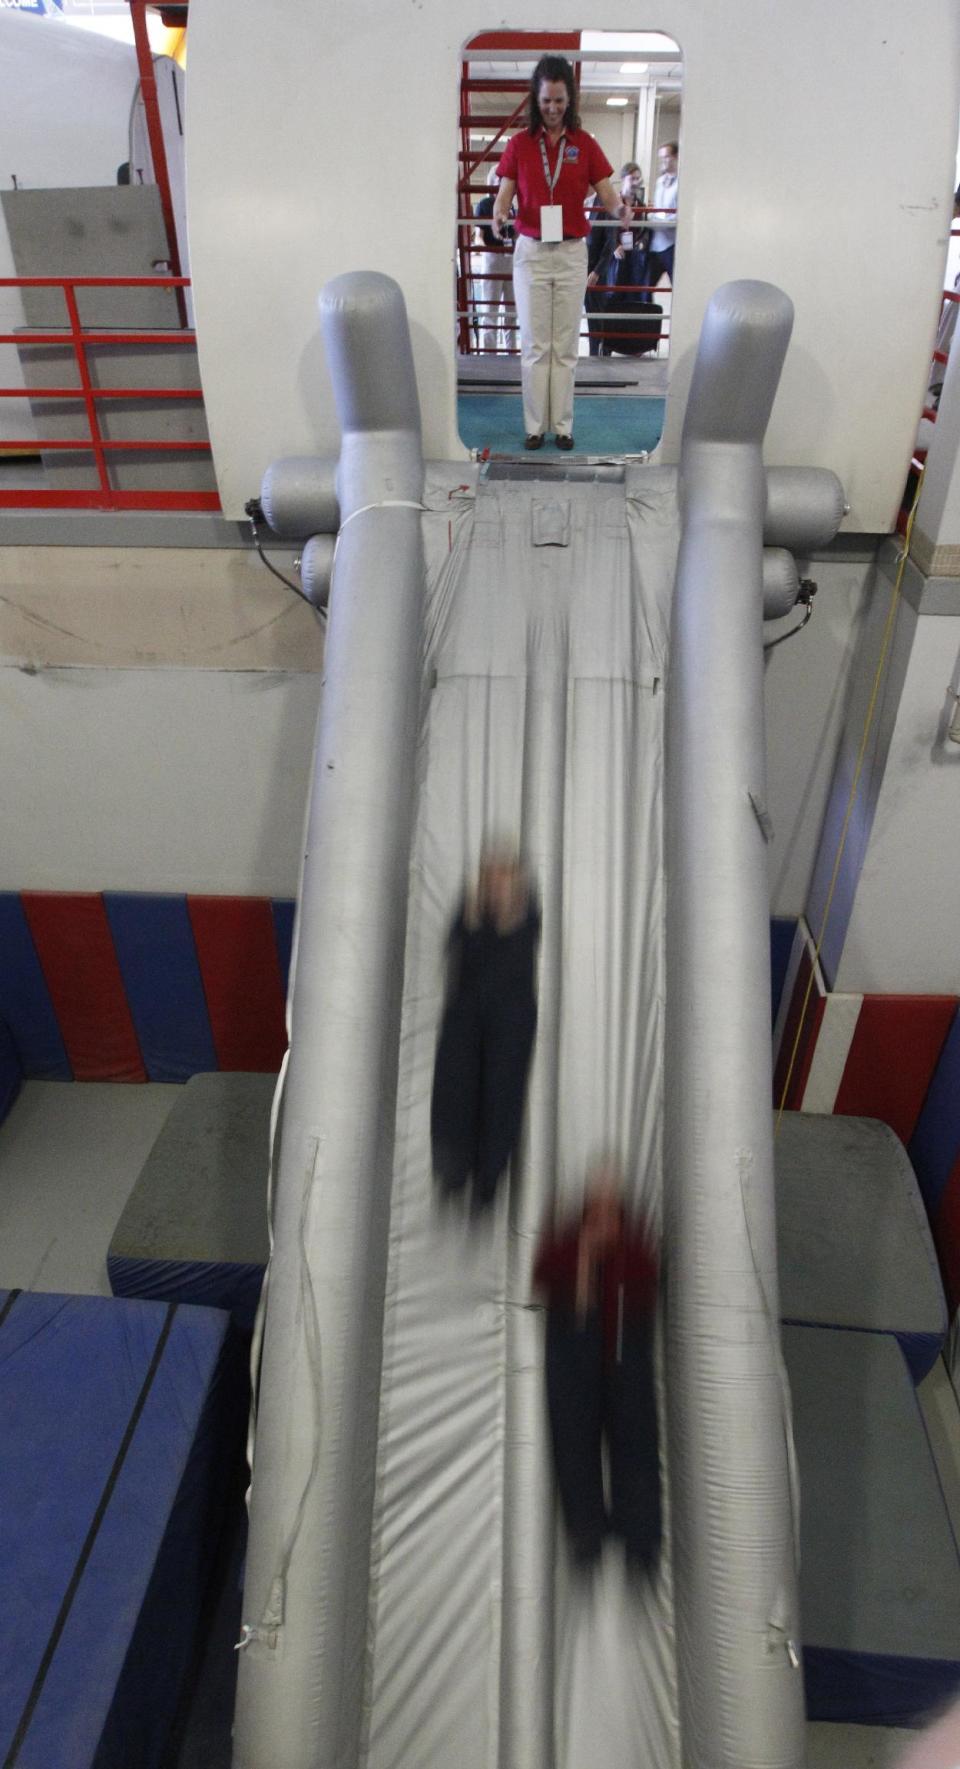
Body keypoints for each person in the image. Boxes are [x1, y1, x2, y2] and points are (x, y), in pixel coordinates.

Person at [490, 54, 629, 452]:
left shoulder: (585, 145)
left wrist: (620, 210)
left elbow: (606, 194)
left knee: (565, 344)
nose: (552, 109)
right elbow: (504, 196)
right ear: (536, 99)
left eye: (560, 101)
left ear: (571, 101)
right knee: (535, 343)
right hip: (531, 251)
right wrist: (500, 216)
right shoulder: (519, 145)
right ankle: (535, 426)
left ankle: (563, 426)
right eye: (546, 101)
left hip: (570, 253)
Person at [533, 1161, 661, 1573]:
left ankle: (639, 1538)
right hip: (575, 1359)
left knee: (634, 1447)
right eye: (597, 1207)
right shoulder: (569, 1244)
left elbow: (648, 1283)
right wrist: (587, 1255)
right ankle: (586, 1532)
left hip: (624, 1360)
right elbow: (543, 1276)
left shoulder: (633, 1248)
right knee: (575, 1447)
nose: (604, 1216)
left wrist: (614, 1251)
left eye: (611, 1207)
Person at [431, 848, 539, 1211]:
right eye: (490, 875)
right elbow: (458, 953)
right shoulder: (471, 911)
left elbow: (517, 961)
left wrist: (507, 910)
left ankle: (488, 1178)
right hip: (465, 1021)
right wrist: (477, 914)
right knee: (456, 1094)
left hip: (508, 1025)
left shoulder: (525, 914)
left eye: (502, 876)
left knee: (500, 1097)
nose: (495, 883)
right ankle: (453, 1172)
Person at [586, 161, 648, 355]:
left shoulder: (609, 203)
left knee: (603, 312)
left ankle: (604, 352)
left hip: (605, 266)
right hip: (584, 265)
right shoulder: (583, 202)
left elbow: (608, 238)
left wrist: (597, 271)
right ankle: (597, 352)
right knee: (591, 316)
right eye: (633, 177)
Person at [473, 167, 512, 356]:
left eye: (502, 179)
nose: (499, 183)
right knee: (491, 311)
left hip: (511, 258)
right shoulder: (485, 204)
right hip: (492, 258)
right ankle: (490, 356)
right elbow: (478, 236)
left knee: (512, 312)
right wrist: (484, 250)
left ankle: (513, 354)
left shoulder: (512, 205)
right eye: (496, 180)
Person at [646, 141, 679, 292]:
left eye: (666, 157)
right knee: (645, 286)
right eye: (661, 158)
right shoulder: (660, 182)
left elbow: (679, 216)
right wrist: (655, 219)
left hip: (672, 245)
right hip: (656, 244)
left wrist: (658, 221)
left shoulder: (681, 183)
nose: (663, 161)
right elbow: (657, 210)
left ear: (676, 157)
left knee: (678, 288)